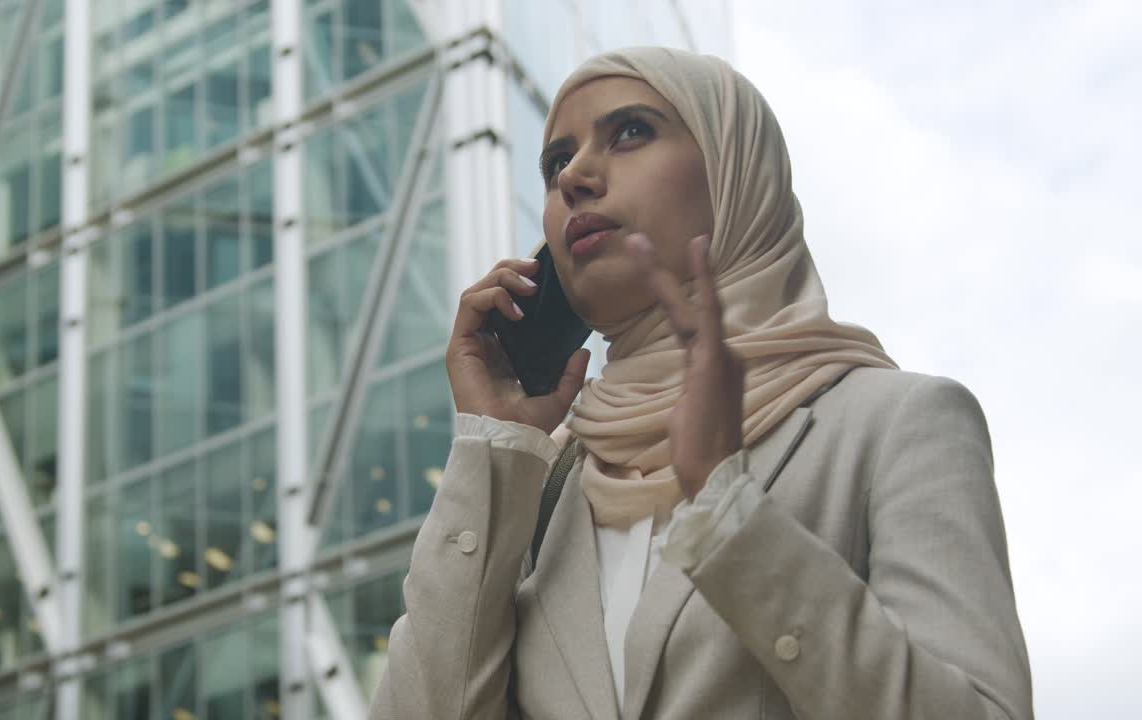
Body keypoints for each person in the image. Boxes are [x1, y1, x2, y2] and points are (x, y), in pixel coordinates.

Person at [370, 47, 1032, 720]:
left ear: (735, 171)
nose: (574, 177)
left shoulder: (896, 424)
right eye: (554, 163)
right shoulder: (540, 492)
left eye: (630, 132)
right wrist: (496, 447)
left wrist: (728, 511)